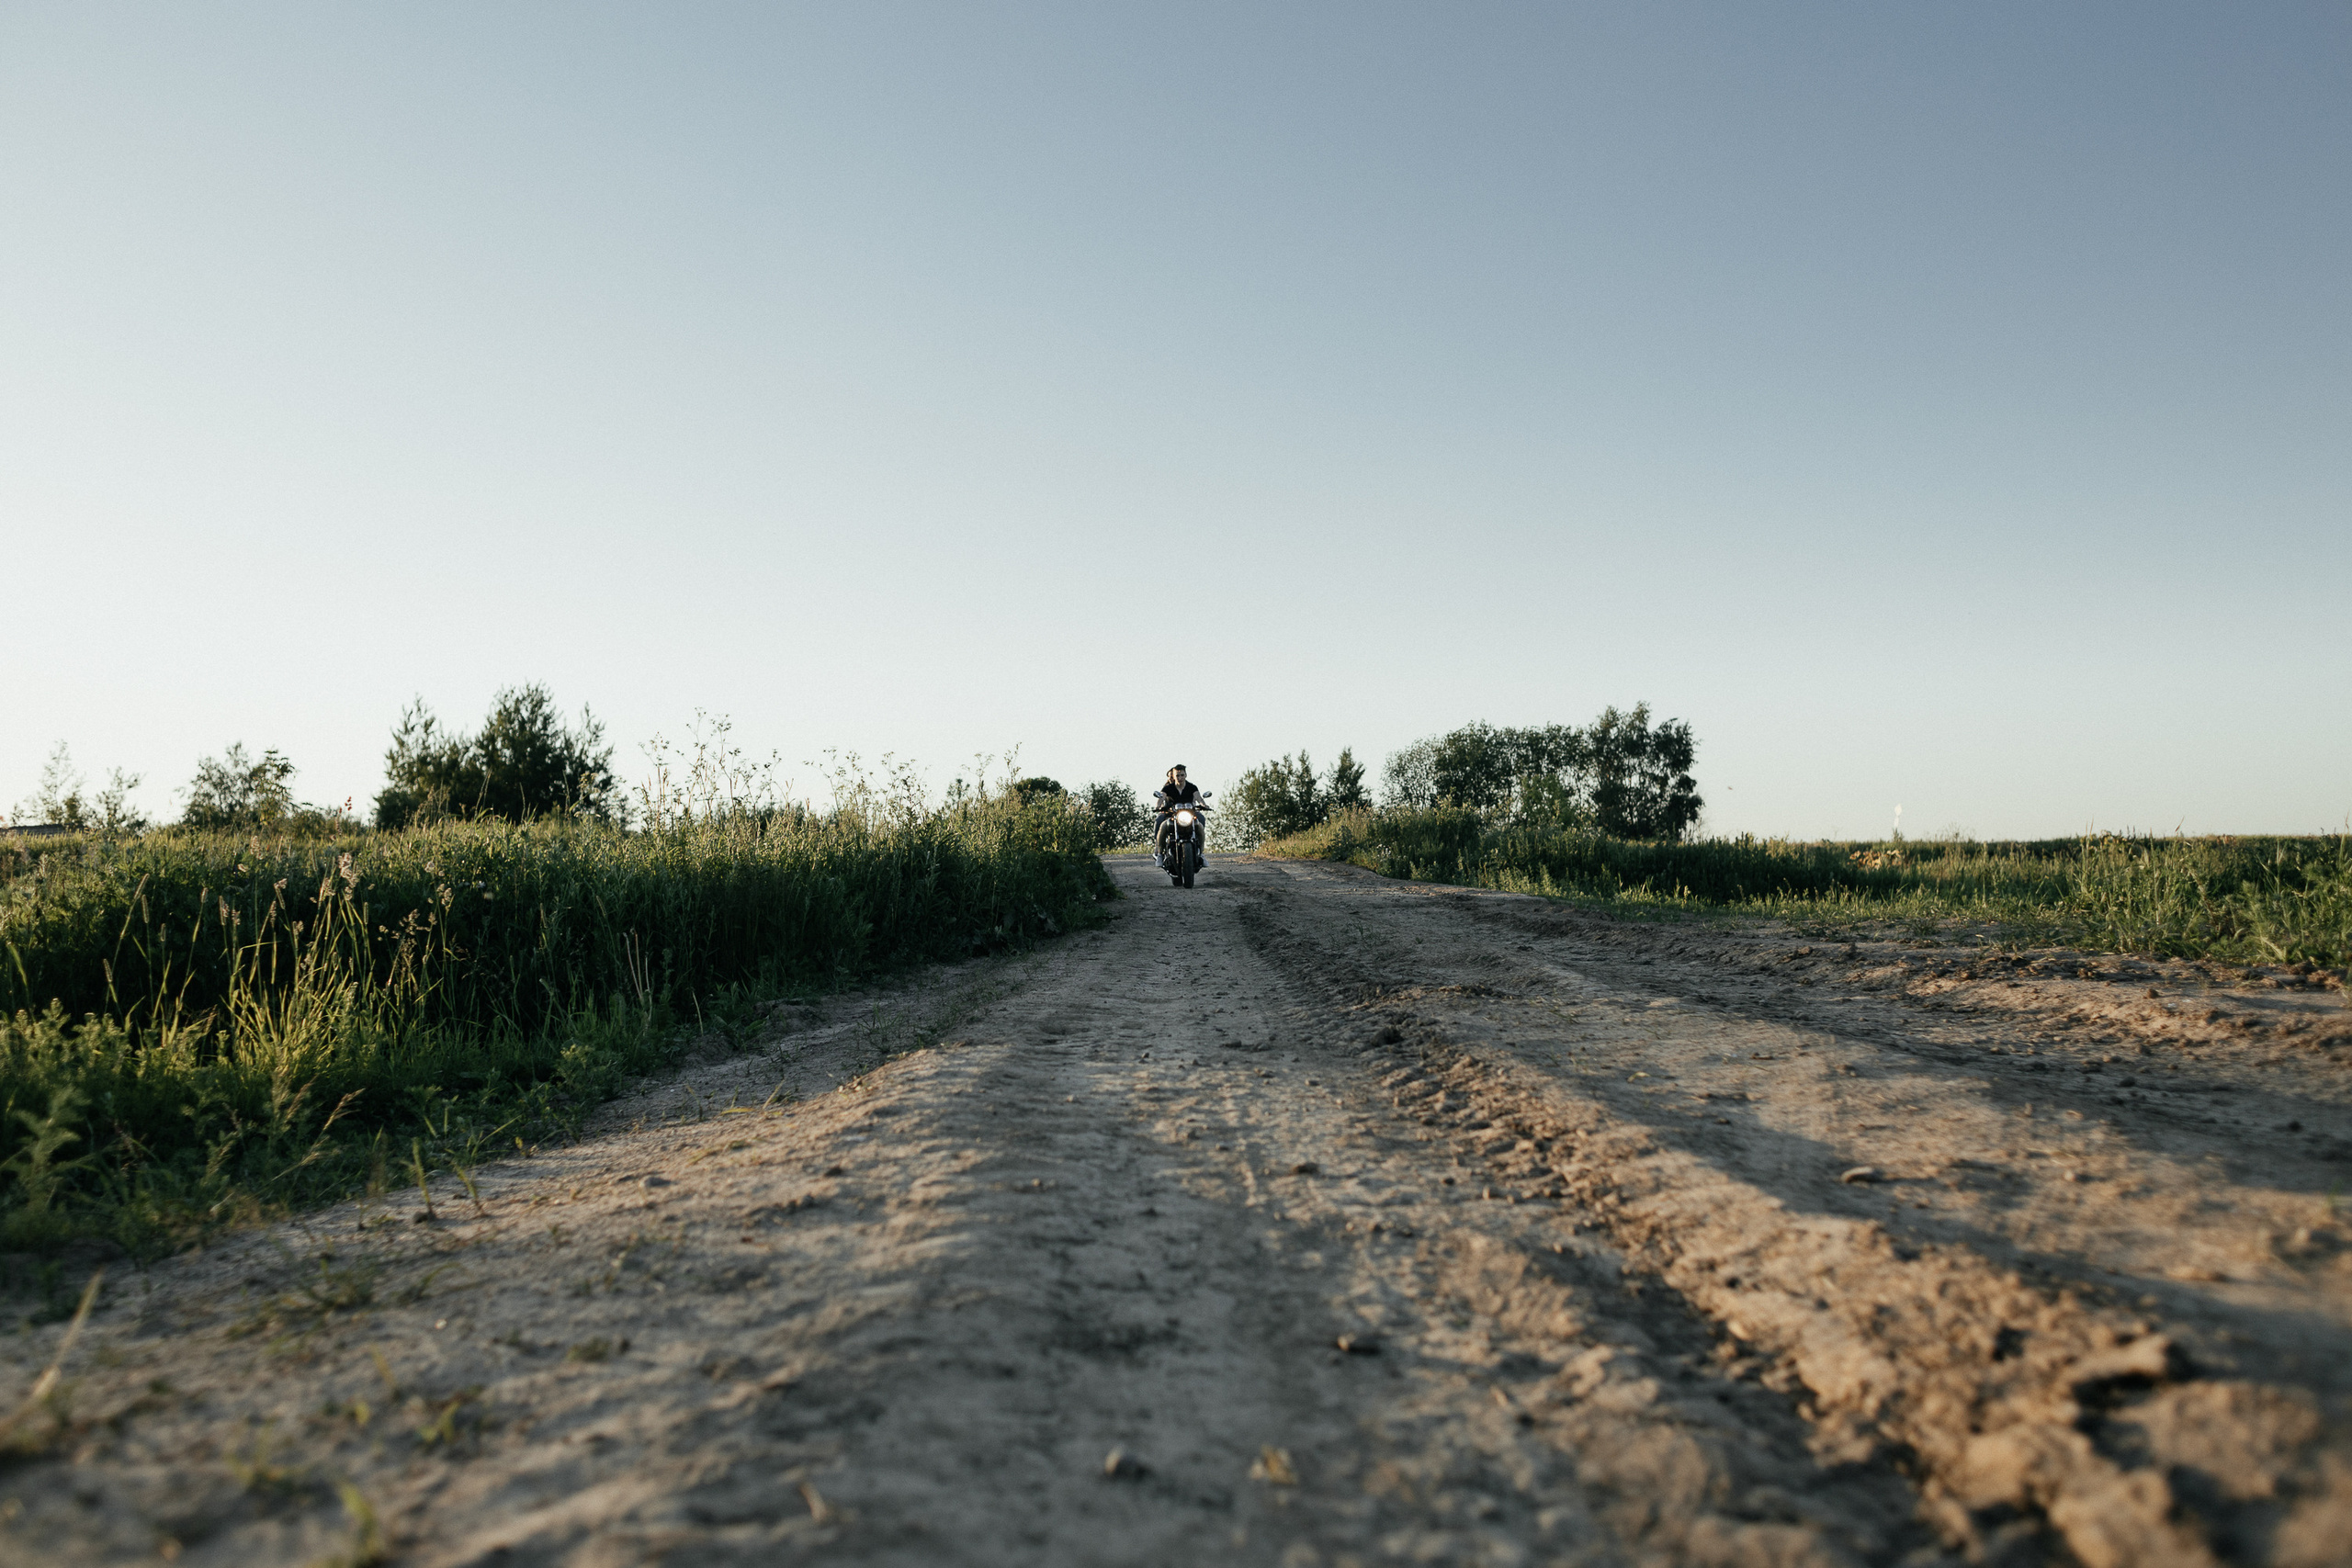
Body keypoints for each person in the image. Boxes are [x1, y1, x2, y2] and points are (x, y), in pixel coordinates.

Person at [1152, 764, 1207, 871]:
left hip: (1189, 814)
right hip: (1172, 815)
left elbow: (1198, 797)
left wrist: (1203, 804)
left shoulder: (1192, 787)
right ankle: (1159, 853)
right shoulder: (1168, 788)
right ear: (1174, 776)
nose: (1180, 778)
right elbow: (1162, 797)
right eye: (1177, 775)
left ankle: (1201, 853)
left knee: (1200, 823)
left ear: (1186, 775)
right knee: (1163, 826)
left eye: (1182, 775)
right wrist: (1158, 806)